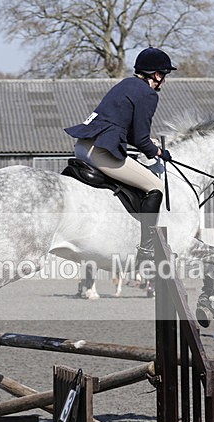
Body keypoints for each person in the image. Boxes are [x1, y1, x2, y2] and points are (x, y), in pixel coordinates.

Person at [64, 46, 176, 264]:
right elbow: (142, 140)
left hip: (83, 147)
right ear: (157, 74)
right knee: (156, 186)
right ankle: (147, 248)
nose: (164, 81)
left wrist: (148, 144)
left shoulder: (126, 84)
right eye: (164, 75)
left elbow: (130, 133)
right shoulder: (147, 94)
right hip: (101, 152)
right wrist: (158, 152)